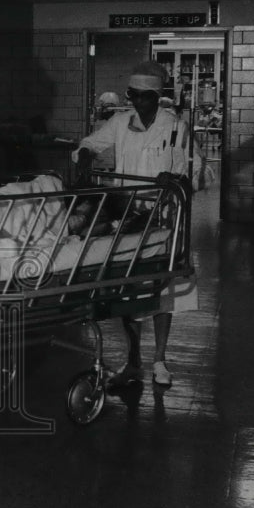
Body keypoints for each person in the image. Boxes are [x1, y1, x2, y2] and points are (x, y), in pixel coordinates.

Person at [72, 60, 201, 388]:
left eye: (146, 96)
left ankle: (159, 359)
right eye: (134, 95)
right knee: (129, 291)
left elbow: (198, 171)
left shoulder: (175, 127)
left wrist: (174, 179)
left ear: (158, 97)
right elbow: (89, 144)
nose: (139, 102)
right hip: (130, 217)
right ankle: (132, 361)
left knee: (163, 289)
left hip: (164, 218)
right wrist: (85, 154)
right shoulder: (119, 122)